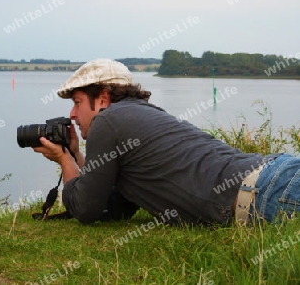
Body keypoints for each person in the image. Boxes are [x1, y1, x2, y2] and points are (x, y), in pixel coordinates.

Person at [33, 58, 300, 225]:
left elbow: (86, 210)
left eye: (77, 103)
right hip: (274, 176)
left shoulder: (108, 121)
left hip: (269, 191)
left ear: (102, 98)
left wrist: (64, 159)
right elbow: (112, 207)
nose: (72, 114)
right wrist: (78, 156)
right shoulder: (144, 115)